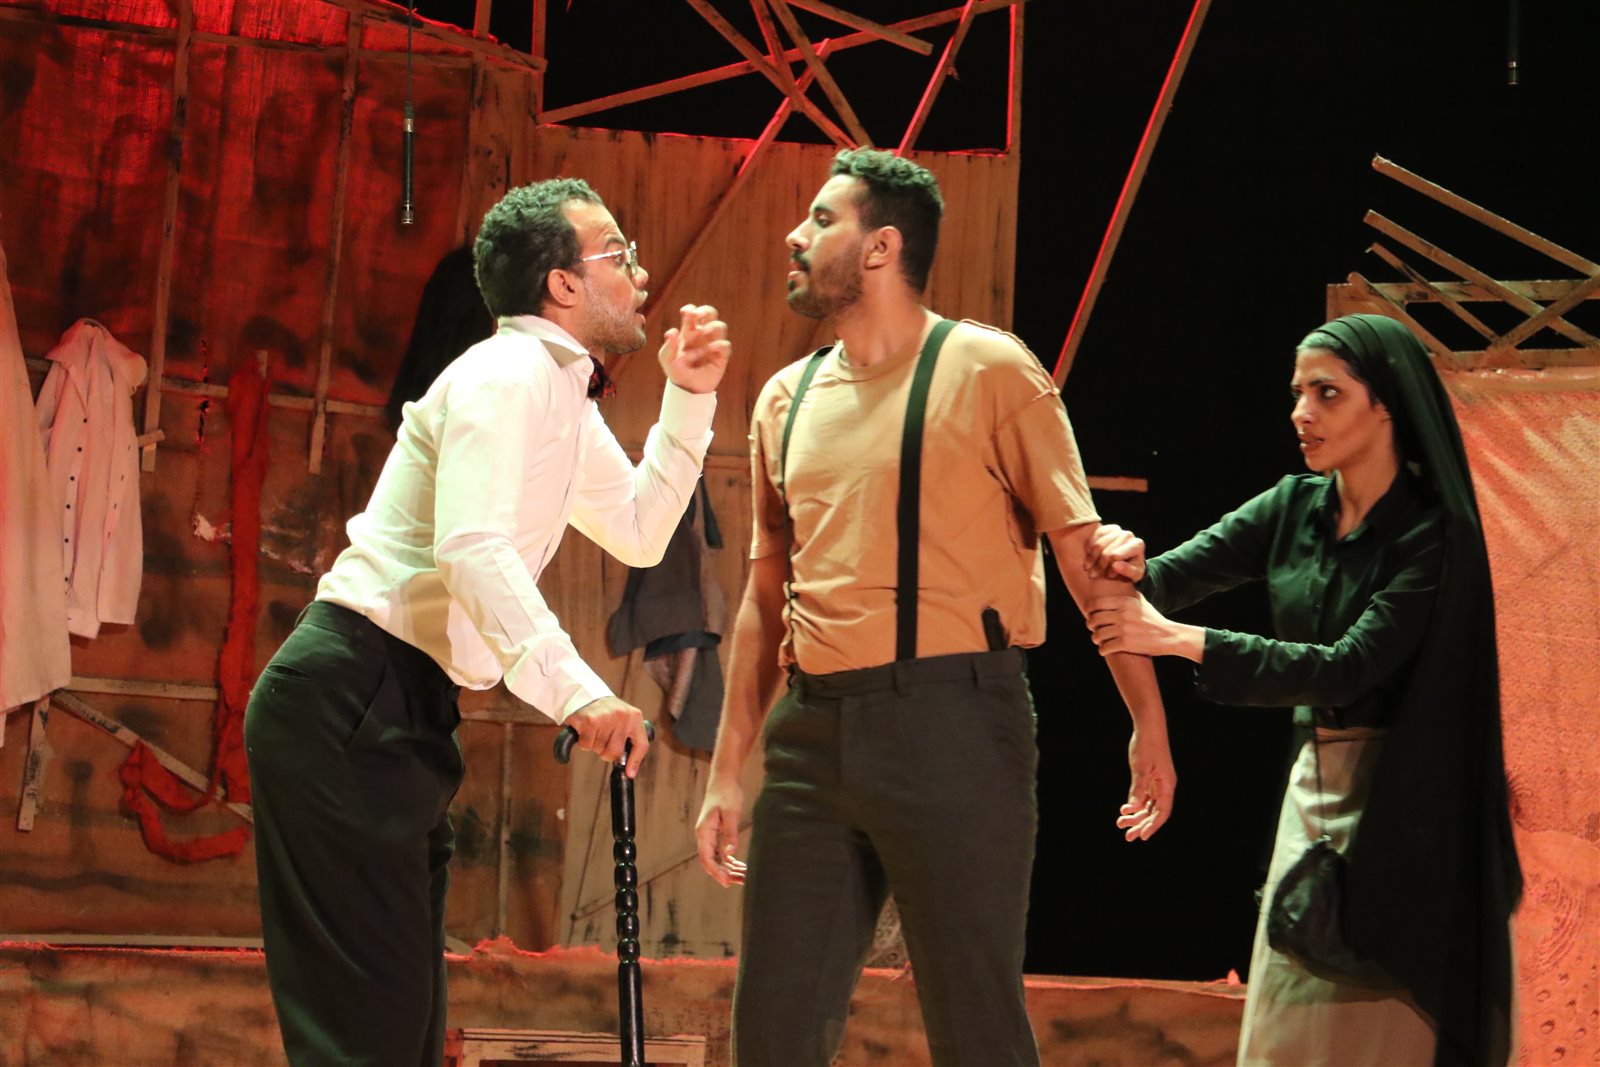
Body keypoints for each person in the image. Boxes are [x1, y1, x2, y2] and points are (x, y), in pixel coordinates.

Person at [692, 147, 1175, 1067]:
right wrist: (725, 771)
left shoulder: (989, 370)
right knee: (774, 1029)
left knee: (975, 1023)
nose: (795, 235)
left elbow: (1086, 561)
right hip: (812, 734)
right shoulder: (785, 400)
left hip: (953, 721)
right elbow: (763, 597)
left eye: (821, 219)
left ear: (881, 247)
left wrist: (1145, 717)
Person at [244, 178, 731, 1067]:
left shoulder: (559, 394)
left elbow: (638, 526)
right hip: (350, 692)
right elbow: (471, 547)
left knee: (403, 1034)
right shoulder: (506, 375)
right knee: (366, 1040)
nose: (639, 272)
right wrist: (579, 693)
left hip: (403, 701)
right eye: (617, 254)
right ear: (563, 284)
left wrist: (688, 399)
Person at [1084, 314, 1522, 1066]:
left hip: (1408, 807)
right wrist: (1122, 555)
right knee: (1288, 1030)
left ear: (1385, 405)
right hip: (1315, 790)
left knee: (1386, 1028)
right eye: (1298, 393)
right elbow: (1161, 583)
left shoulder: (1431, 535)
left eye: (1327, 393)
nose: (1301, 412)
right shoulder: (1293, 506)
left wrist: (1184, 639)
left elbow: (1346, 666)